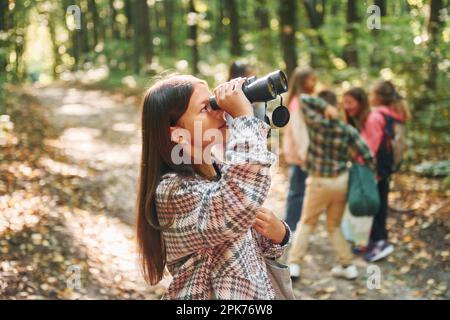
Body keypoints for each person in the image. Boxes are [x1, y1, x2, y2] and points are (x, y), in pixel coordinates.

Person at [135, 75, 291, 299]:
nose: (219, 111)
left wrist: (278, 236)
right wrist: (244, 117)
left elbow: (240, 246)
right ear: (177, 134)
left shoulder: (222, 173)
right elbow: (235, 205)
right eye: (205, 108)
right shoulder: (172, 192)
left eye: (214, 102)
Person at [287, 93, 375, 280]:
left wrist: (322, 106)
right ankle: (347, 265)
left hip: (320, 181)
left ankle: (294, 264)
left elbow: (302, 99)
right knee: (334, 225)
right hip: (342, 181)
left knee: (307, 222)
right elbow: (367, 156)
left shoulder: (317, 124)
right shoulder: (347, 130)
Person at [356, 80, 410, 262]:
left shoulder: (376, 116)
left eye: (371, 93)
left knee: (372, 205)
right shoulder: (396, 116)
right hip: (386, 168)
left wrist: (357, 163)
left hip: (373, 168)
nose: (369, 97)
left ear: (378, 97)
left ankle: (380, 242)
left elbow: (367, 146)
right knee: (380, 202)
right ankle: (375, 240)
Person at [282, 67, 316, 232]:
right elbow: (299, 131)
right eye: (311, 79)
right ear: (303, 81)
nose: (314, 82)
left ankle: (293, 225)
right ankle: (291, 227)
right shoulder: (298, 102)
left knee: (299, 190)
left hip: (300, 154)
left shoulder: (303, 100)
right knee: (297, 191)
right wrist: (304, 154)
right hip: (299, 155)